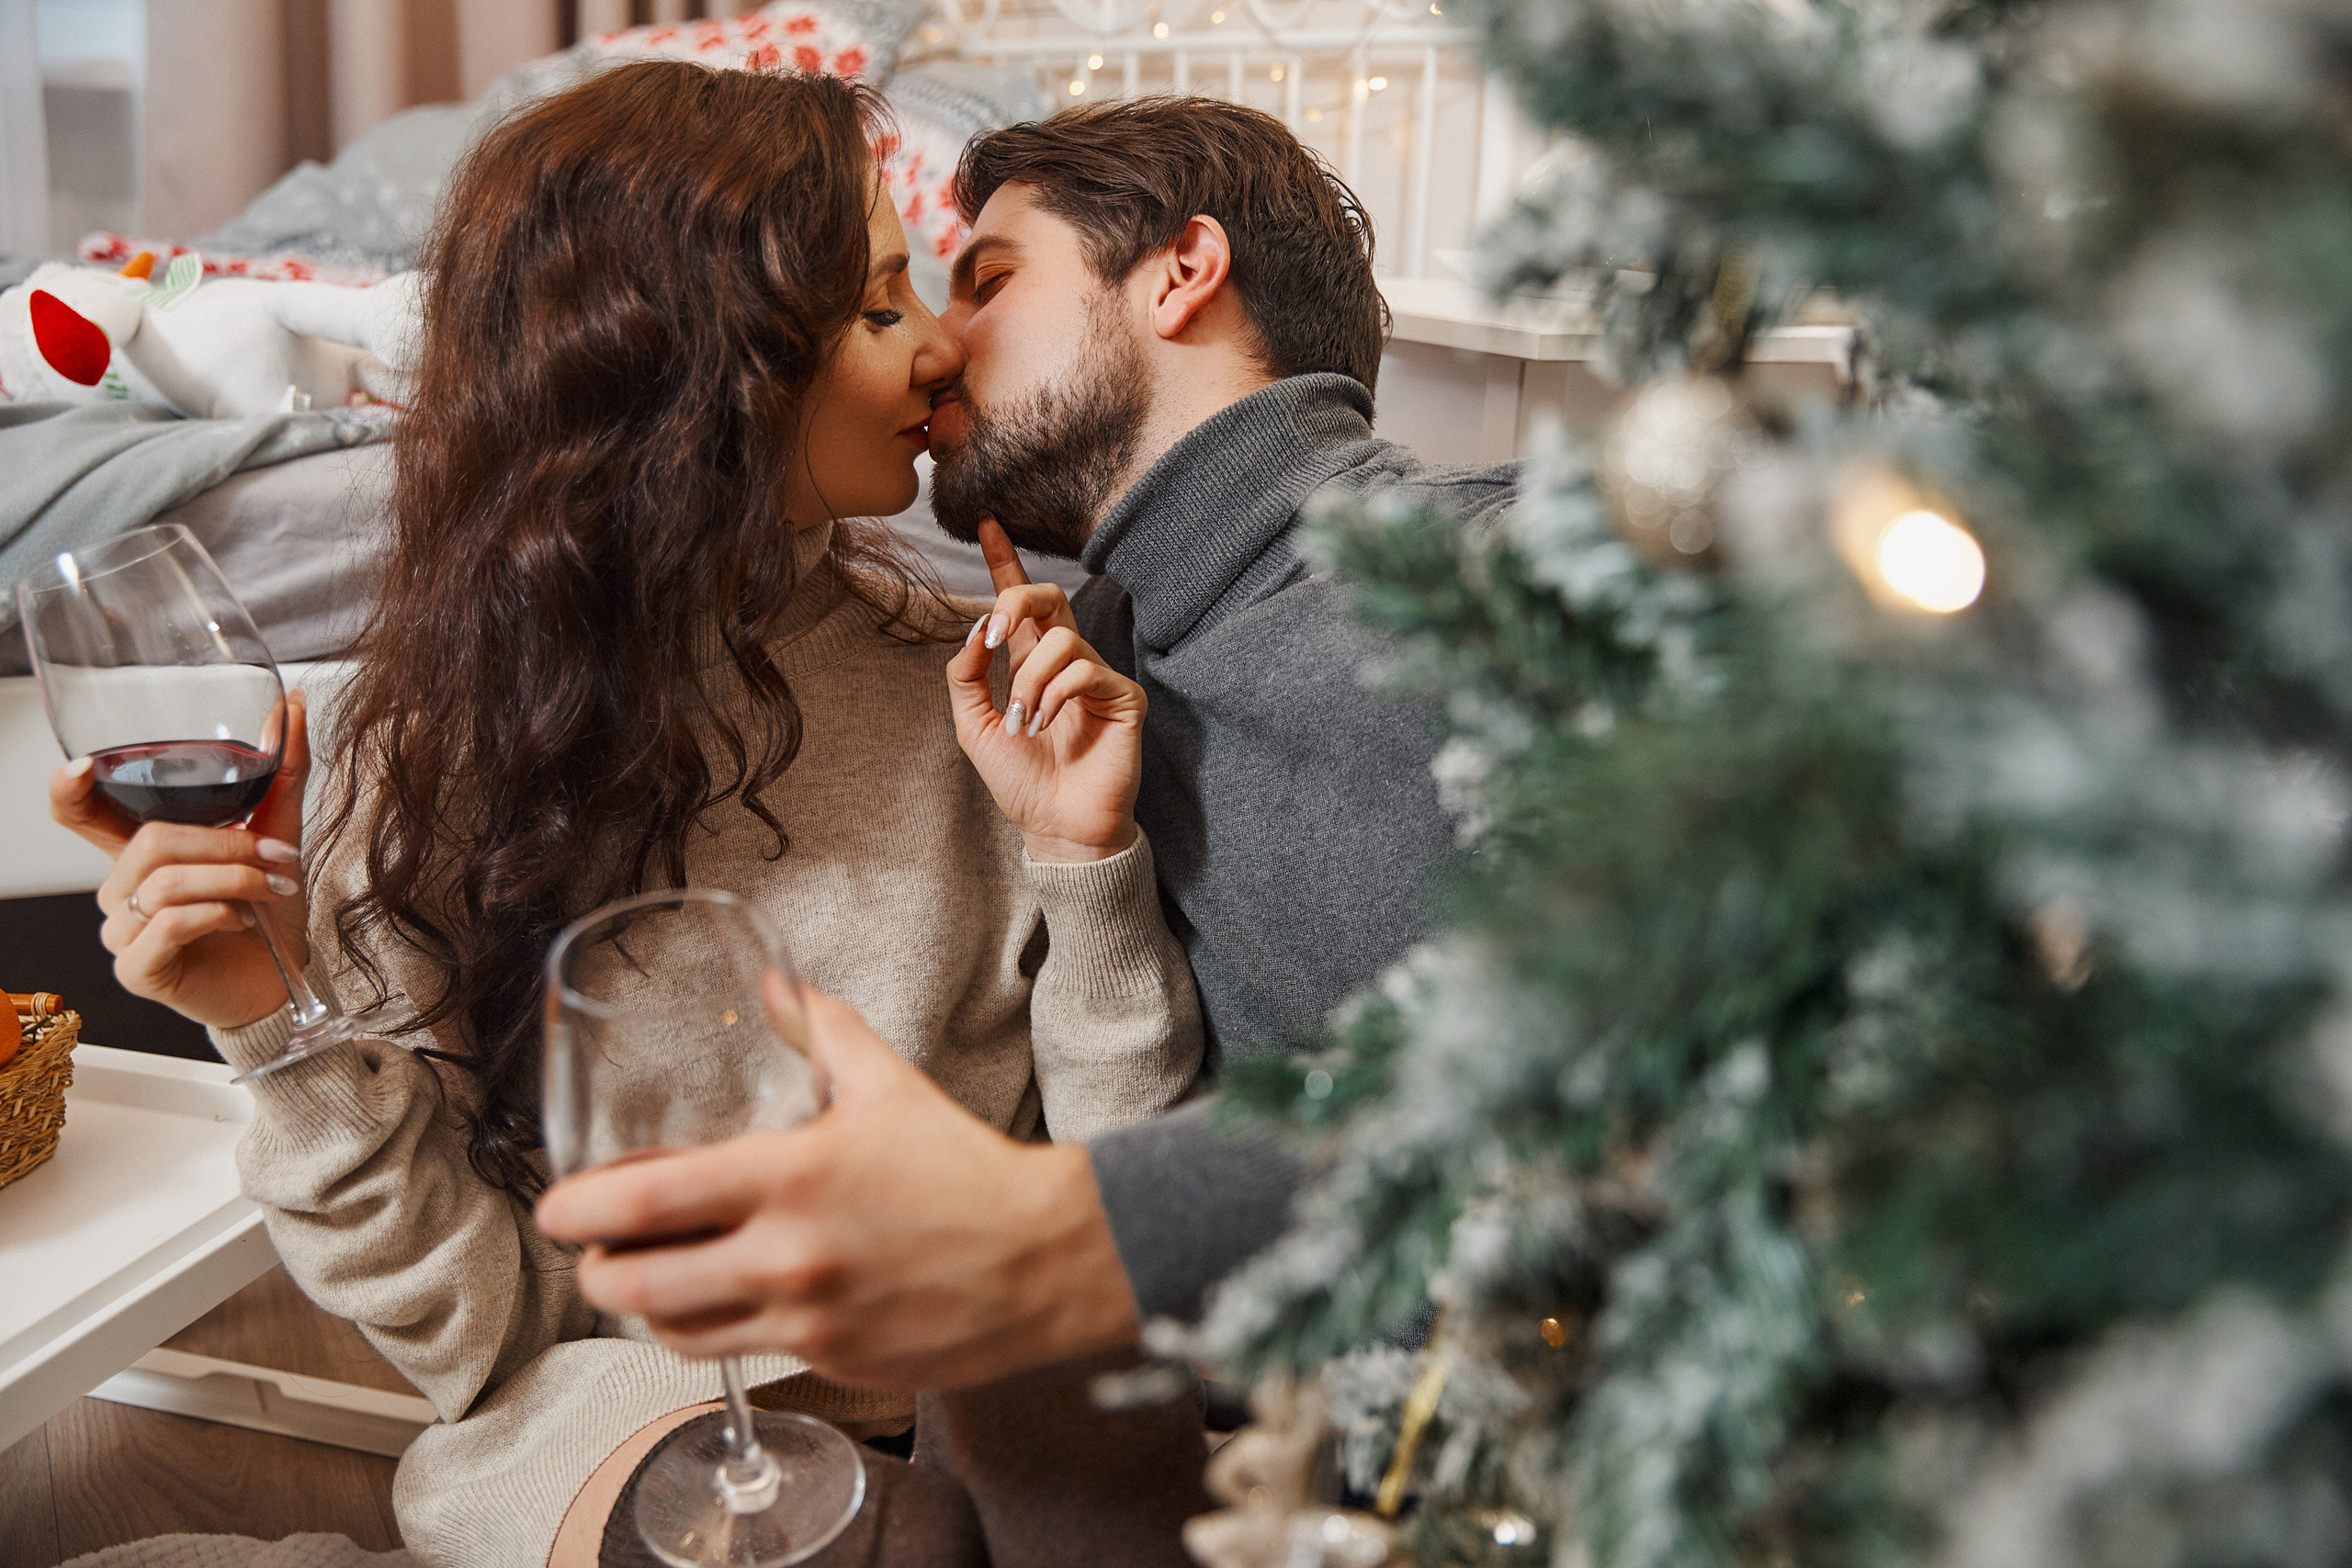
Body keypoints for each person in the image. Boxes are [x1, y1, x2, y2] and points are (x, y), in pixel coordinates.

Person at [47, 65, 1209, 1567]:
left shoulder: (994, 703)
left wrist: (1084, 851)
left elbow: (1127, 1221)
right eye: (872, 308)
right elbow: (488, 1344)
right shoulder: (428, 763)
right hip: (618, 1421)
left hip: (969, 1401)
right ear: (695, 372)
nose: (938, 349)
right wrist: (272, 1023)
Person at [535, 98, 1521, 1403]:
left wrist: (1066, 1228)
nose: (939, 349)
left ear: (1182, 270)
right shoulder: (1082, 667)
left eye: (987, 282)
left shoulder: (1517, 567)